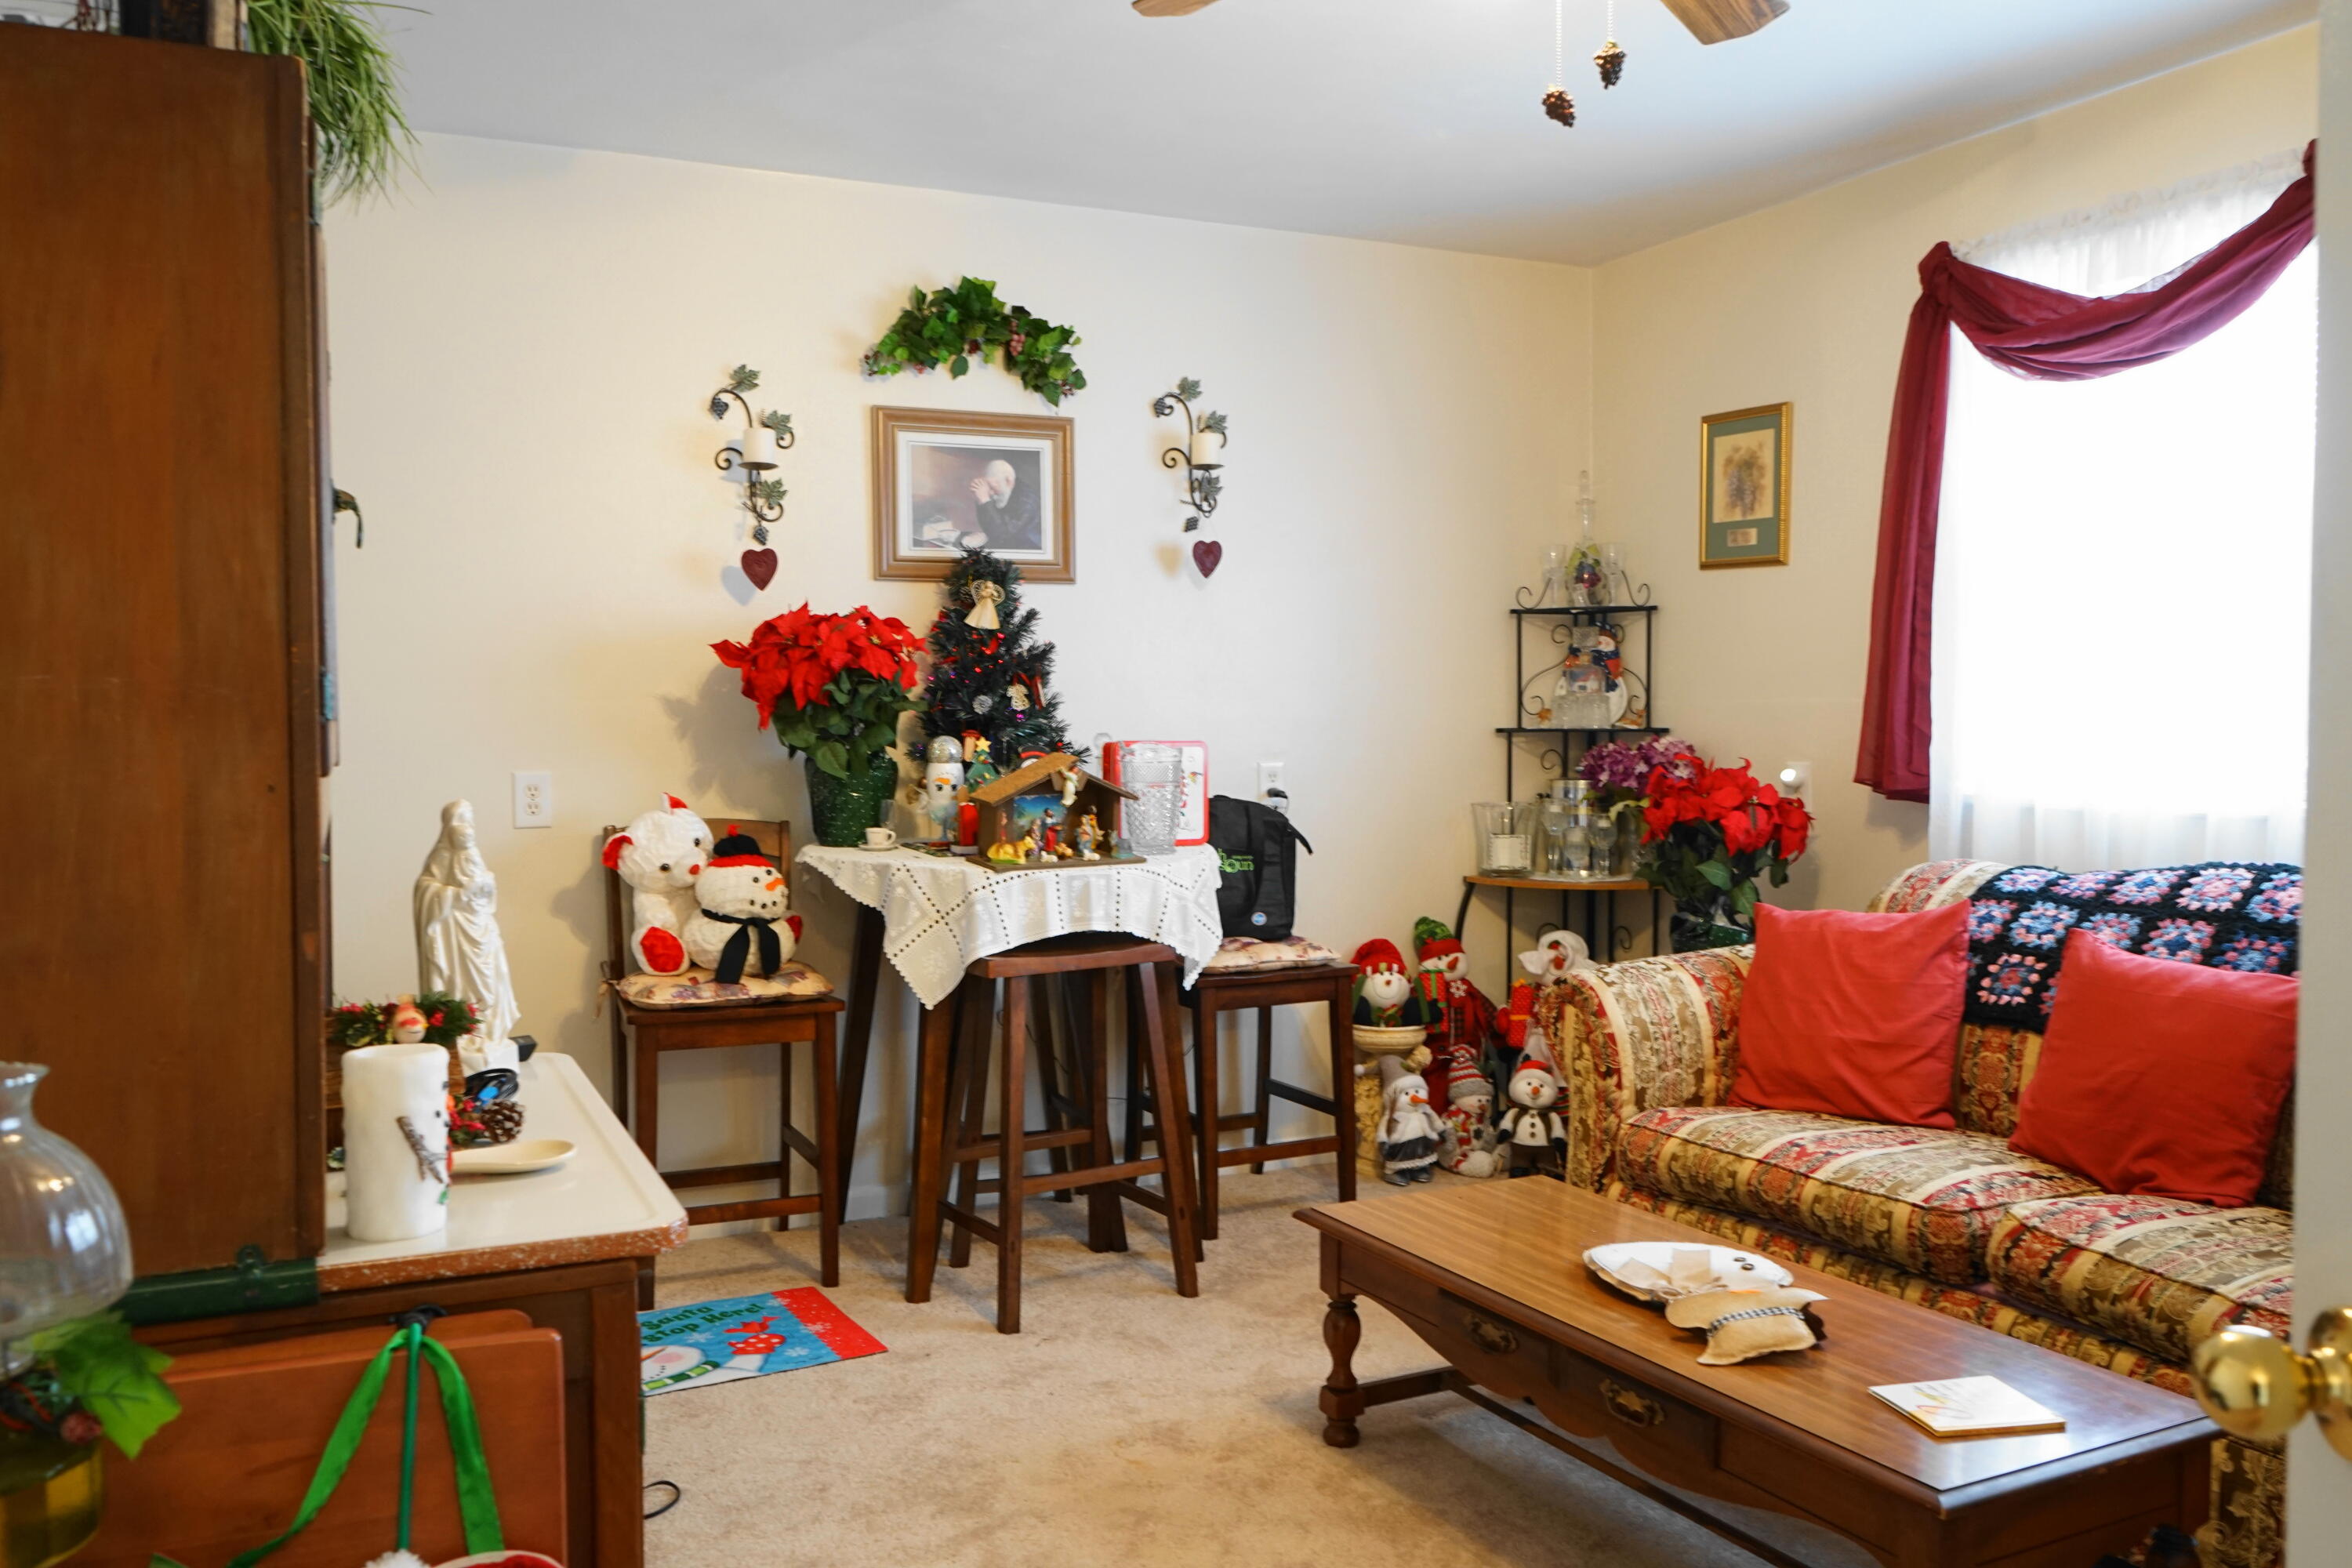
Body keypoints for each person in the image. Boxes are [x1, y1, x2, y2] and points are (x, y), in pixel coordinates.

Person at [967, 458, 1041, 550]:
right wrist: (981, 500)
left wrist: (984, 499)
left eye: (992, 487)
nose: (990, 493)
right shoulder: (1004, 490)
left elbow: (1001, 536)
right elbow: (989, 529)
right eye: (988, 486)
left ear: (1008, 481)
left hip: (1026, 548)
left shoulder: (1026, 502)